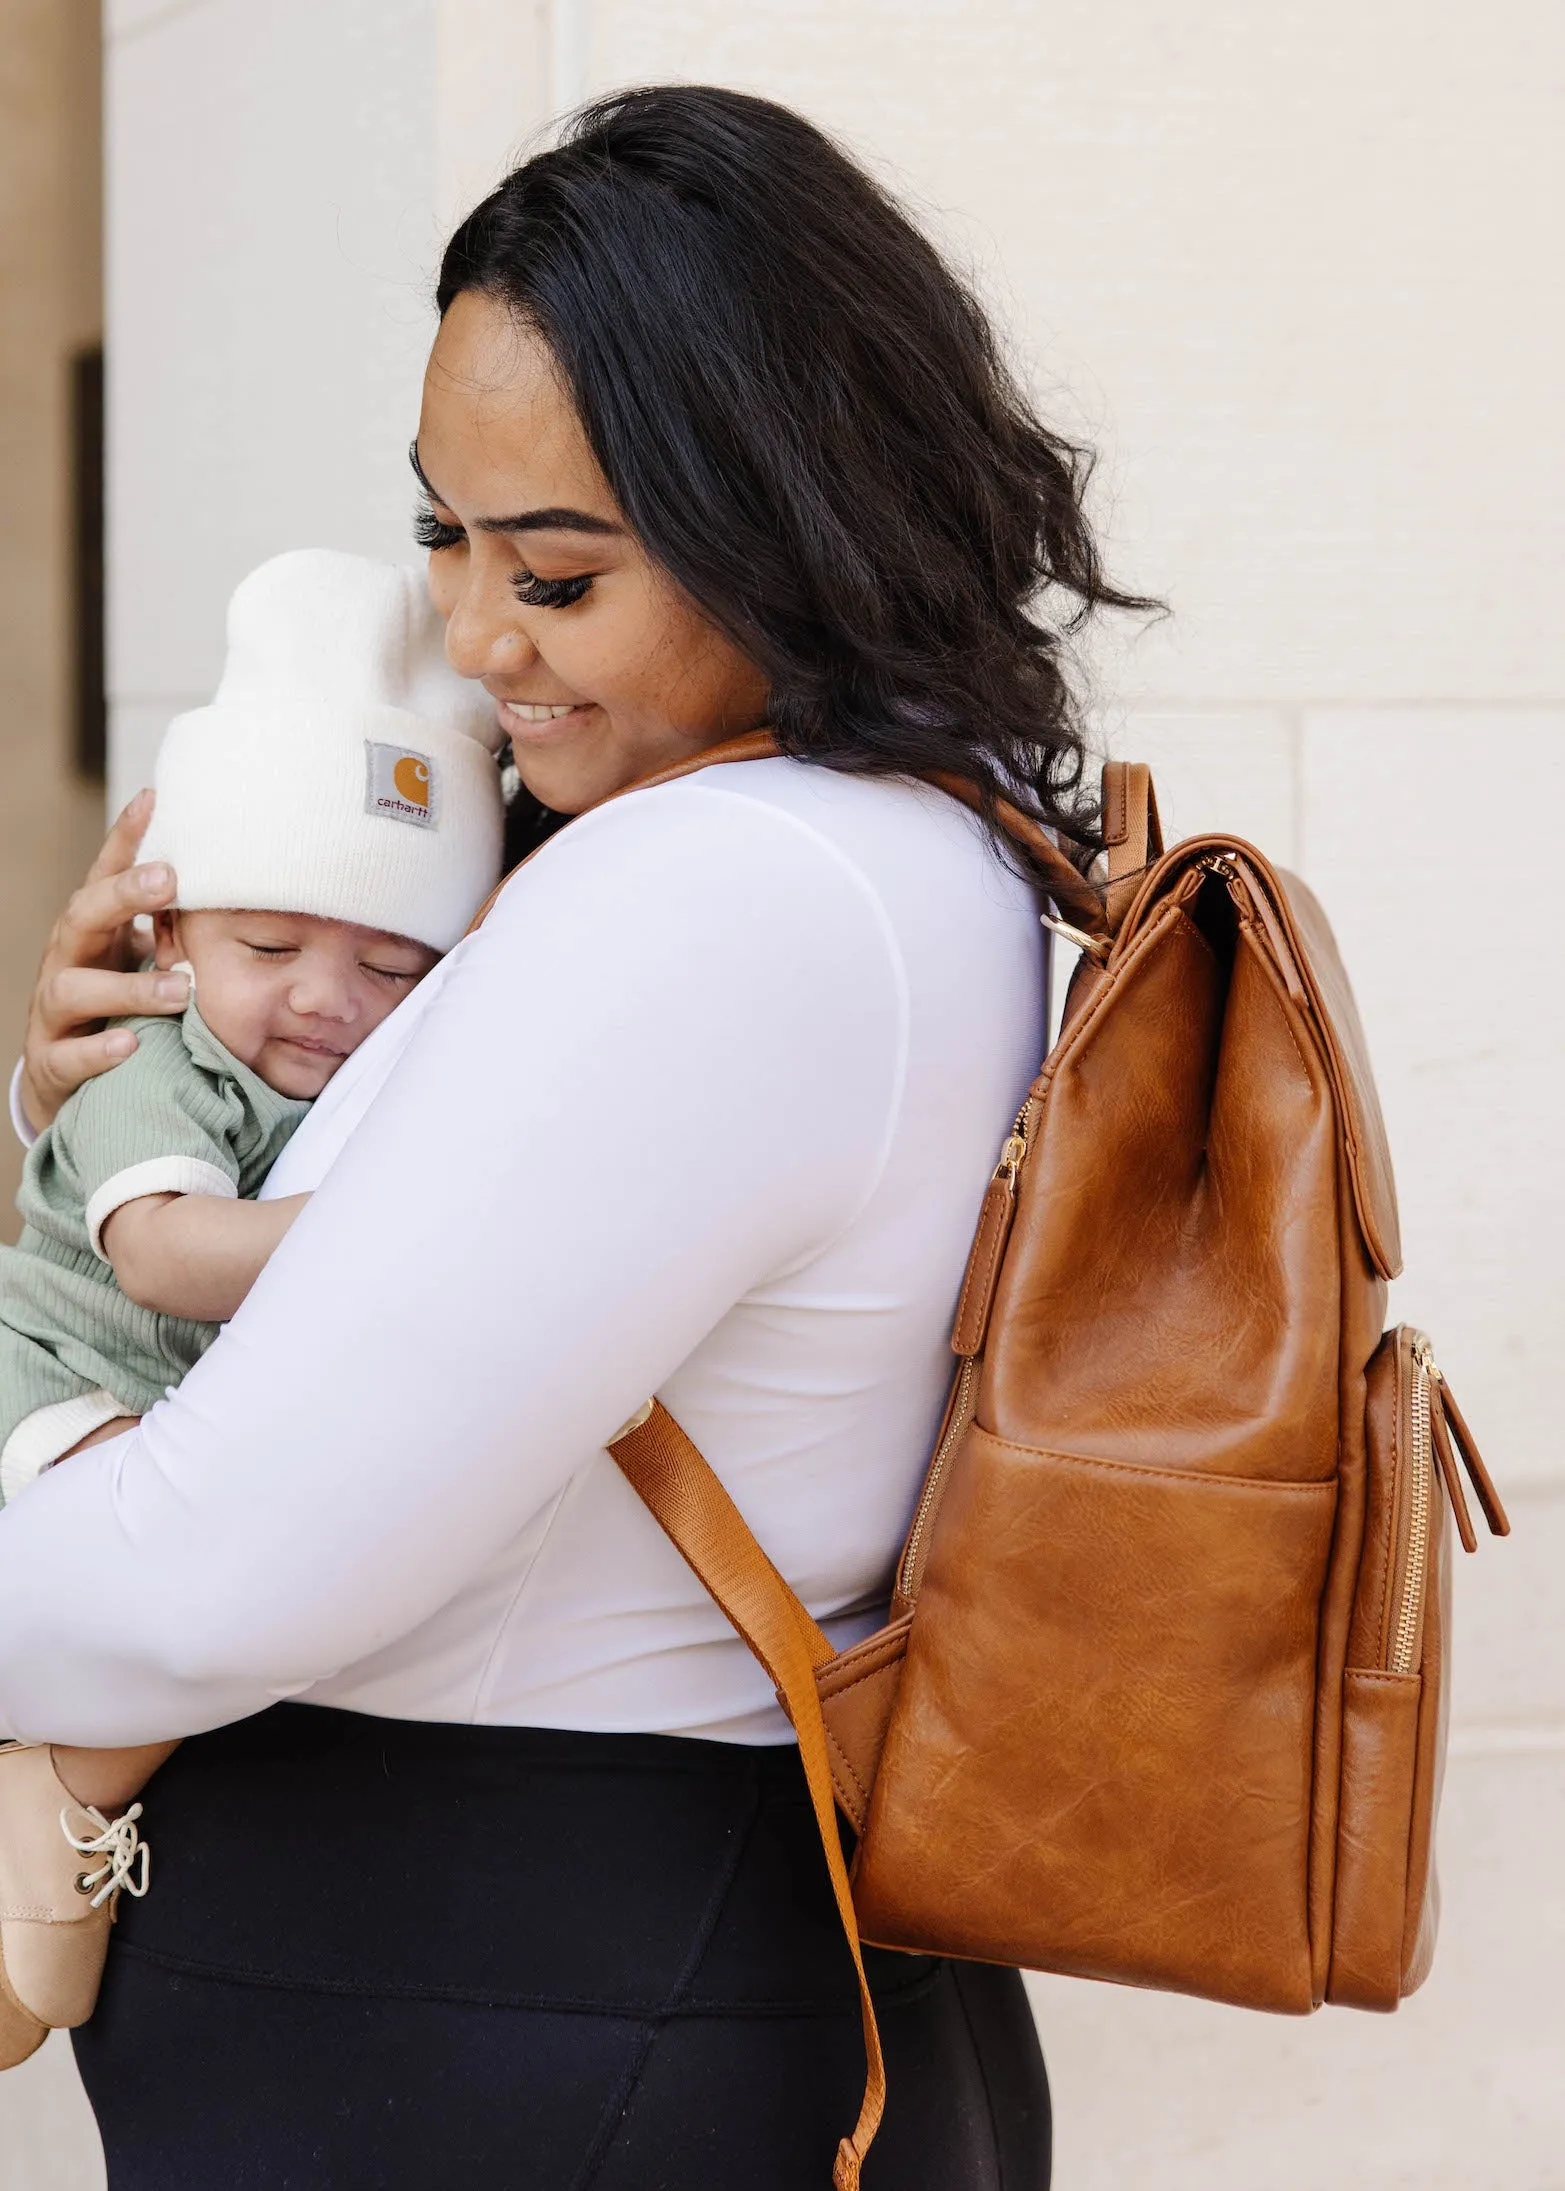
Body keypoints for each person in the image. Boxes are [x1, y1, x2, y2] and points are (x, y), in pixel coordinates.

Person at [0, 87, 1149, 2187]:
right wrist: (149, 1117)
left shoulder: (720, 886)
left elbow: (221, 1572)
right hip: (611, 1977)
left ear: (787, 518)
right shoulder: (902, 845)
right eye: (440, 532)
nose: (469, 635)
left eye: (555, 569)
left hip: (512, 2014)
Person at [0, 547, 503, 2060]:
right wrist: (402, 1228)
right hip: (54, 1386)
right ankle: (65, 1792)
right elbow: (162, 1254)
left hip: (152, 1407)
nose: (324, 999)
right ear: (167, 936)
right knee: (208, 1598)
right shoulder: (151, 1052)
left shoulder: (339, 1069)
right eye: (270, 946)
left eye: (390, 962)